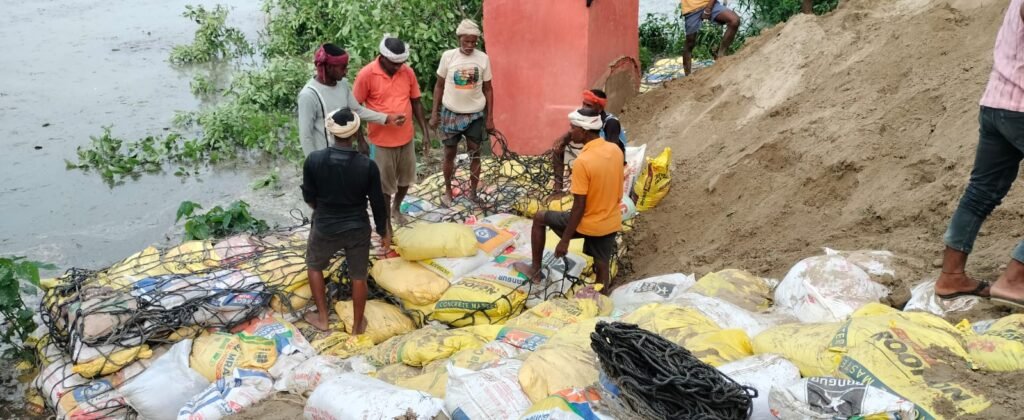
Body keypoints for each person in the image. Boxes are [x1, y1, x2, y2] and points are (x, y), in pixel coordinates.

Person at [934, 0, 1024, 308]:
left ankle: (951, 276)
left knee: (980, 192)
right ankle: (1014, 281)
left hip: (997, 104)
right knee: (981, 192)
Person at [514, 108, 624, 294]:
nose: (570, 132)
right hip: (611, 220)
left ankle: (535, 270)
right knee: (602, 265)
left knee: (540, 217)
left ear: (584, 131)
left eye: (573, 128)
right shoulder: (615, 150)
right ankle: (601, 298)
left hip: (589, 222)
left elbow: (579, 207)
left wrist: (564, 241)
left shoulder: (583, 161)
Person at [301, 108, 391, 332]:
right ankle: (358, 324)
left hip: (325, 226)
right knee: (358, 276)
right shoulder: (367, 165)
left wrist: (321, 210)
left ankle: (323, 318)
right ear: (356, 132)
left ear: (330, 132)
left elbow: (309, 196)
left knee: (314, 266)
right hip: (357, 228)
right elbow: (378, 203)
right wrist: (383, 231)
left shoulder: (314, 160)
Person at [353, 35, 431, 229]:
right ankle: (386, 222)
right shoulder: (366, 75)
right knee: (384, 188)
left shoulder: (407, 72)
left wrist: (426, 132)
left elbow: (416, 101)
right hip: (381, 142)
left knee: (406, 180)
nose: (398, 67)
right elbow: (354, 107)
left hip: (406, 138)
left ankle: (396, 208)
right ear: (382, 57)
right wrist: (360, 140)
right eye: (394, 63)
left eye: (401, 63)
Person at [297, 43, 405, 157]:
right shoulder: (309, 95)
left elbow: (357, 111)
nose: (346, 72)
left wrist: (387, 118)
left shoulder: (342, 84)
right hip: (324, 160)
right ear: (329, 68)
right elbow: (306, 136)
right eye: (343, 67)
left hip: (344, 154)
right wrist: (313, 165)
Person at [430, 19, 494, 205]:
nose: (469, 46)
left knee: (475, 154)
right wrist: (435, 113)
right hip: (451, 113)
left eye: (473, 42)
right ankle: (448, 192)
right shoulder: (448, 57)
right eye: (466, 41)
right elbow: (439, 86)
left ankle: (473, 193)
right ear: (459, 39)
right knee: (449, 154)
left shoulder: (483, 58)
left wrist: (489, 117)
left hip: (475, 115)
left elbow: (489, 89)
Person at [552, 89, 627, 194]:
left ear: (600, 108)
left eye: (589, 106)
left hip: (606, 159)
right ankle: (558, 190)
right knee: (558, 150)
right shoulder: (584, 117)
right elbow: (567, 137)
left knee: (582, 162)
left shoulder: (611, 122)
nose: (584, 108)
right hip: (593, 153)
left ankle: (582, 189)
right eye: (584, 104)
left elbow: (611, 152)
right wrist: (562, 142)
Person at [681, 0, 741, 76]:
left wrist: (708, 9)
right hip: (691, 9)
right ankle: (688, 75)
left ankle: (720, 55)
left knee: (734, 21)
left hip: (710, 4)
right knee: (690, 42)